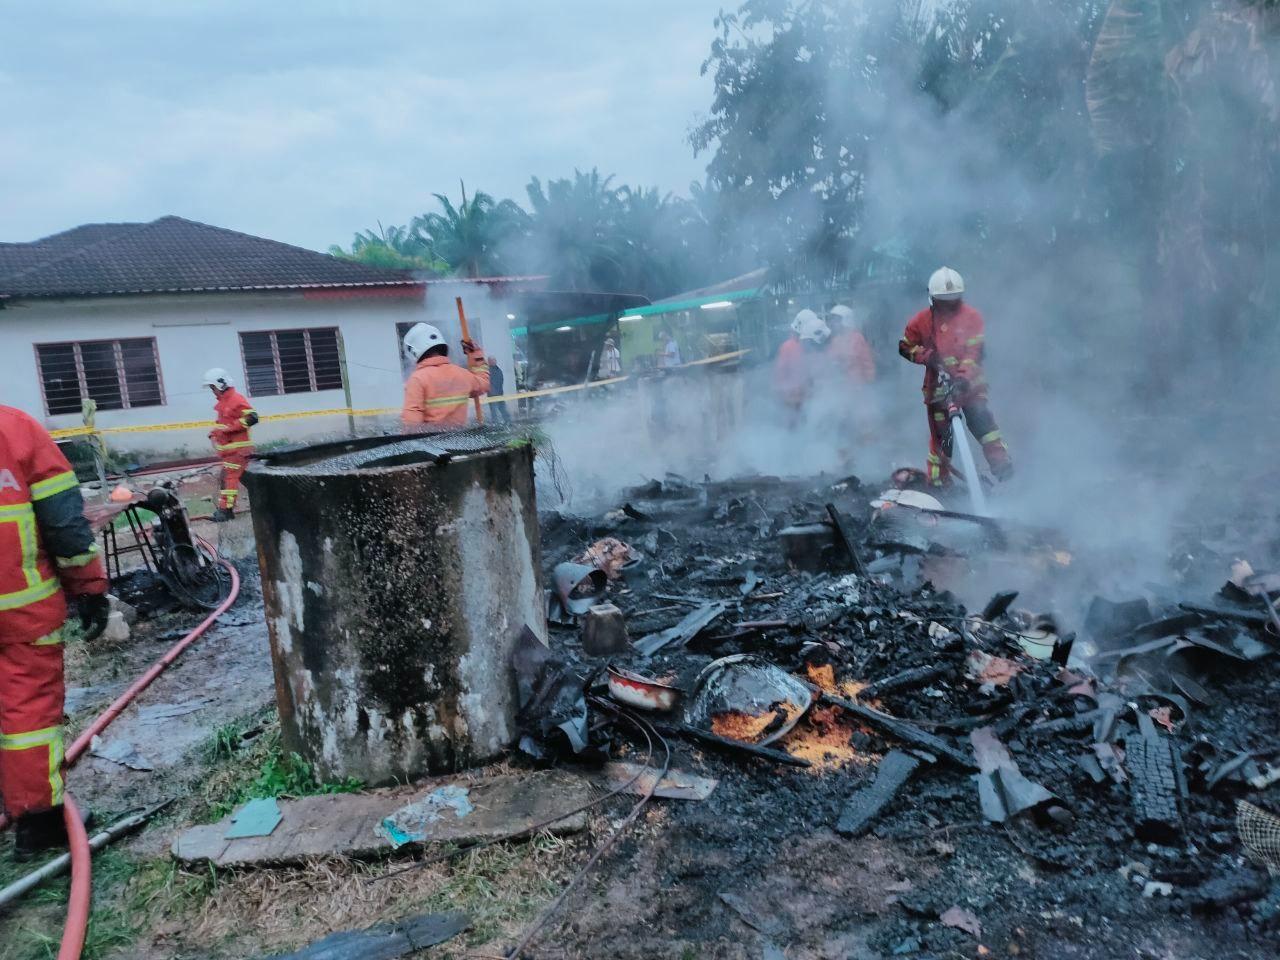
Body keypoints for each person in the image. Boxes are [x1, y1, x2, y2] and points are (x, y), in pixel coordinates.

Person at [0, 405, 109, 860]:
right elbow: (64, 522)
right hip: (18, 609)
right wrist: (88, 586)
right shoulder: (16, 430)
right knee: (26, 712)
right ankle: (38, 822)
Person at [898, 267, 1012, 487]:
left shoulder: (972, 317)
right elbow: (905, 346)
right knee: (943, 441)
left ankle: (1003, 469)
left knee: (985, 428)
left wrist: (963, 378)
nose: (949, 307)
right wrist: (925, 356)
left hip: (970, 389)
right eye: (944, 301)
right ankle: (939, 486)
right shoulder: (921, 320)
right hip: (938, 393)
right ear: (932, 298)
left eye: (953, 301)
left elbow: (974, 352)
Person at [400, 322, 490, 430]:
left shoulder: (417, 379)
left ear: (414, 351)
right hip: (461, 441)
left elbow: (412, 423)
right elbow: (484, 384)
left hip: (432, 443)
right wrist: (476, 355)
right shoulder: (462, 374)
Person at [202, 369, 257, 522]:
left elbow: (252, 418)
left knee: (229, 480)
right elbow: (222, 425)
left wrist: (229, 429)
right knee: (226, 479)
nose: (212, 391)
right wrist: (214, 433)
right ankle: (226, 510)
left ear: (221, 384)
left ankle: (226, 511)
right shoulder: (224, 404)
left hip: (239, 451)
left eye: (213, 387)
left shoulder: (236, 400)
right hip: (230, 452)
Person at [773, 308, 830, 413]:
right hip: (793, 398)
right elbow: (782, 375)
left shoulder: (805, 344)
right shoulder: (790, 346)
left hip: (804, 396)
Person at [826, 304, 876, 385]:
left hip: (856, 386)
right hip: (840, 387)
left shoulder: (857, 338)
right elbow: (830, 360)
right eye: (833, 320)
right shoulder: (836, 340)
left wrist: (869, 382)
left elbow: (867, 362)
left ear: (846, 320)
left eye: (836, 320)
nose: (833, 323)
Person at [487, 356, 511, 423]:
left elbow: (501, 381)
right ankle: (496, 423)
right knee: (494, 410)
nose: (494, 361)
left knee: (502, 408)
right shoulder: (488, 371)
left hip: (499, 393)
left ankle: (508, 421)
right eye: (492, 360)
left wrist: (499, 391)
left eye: (494, 360)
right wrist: (492, 392)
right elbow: (489, 383)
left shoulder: (498, 370)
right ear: (489, 362)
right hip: (492, 395)